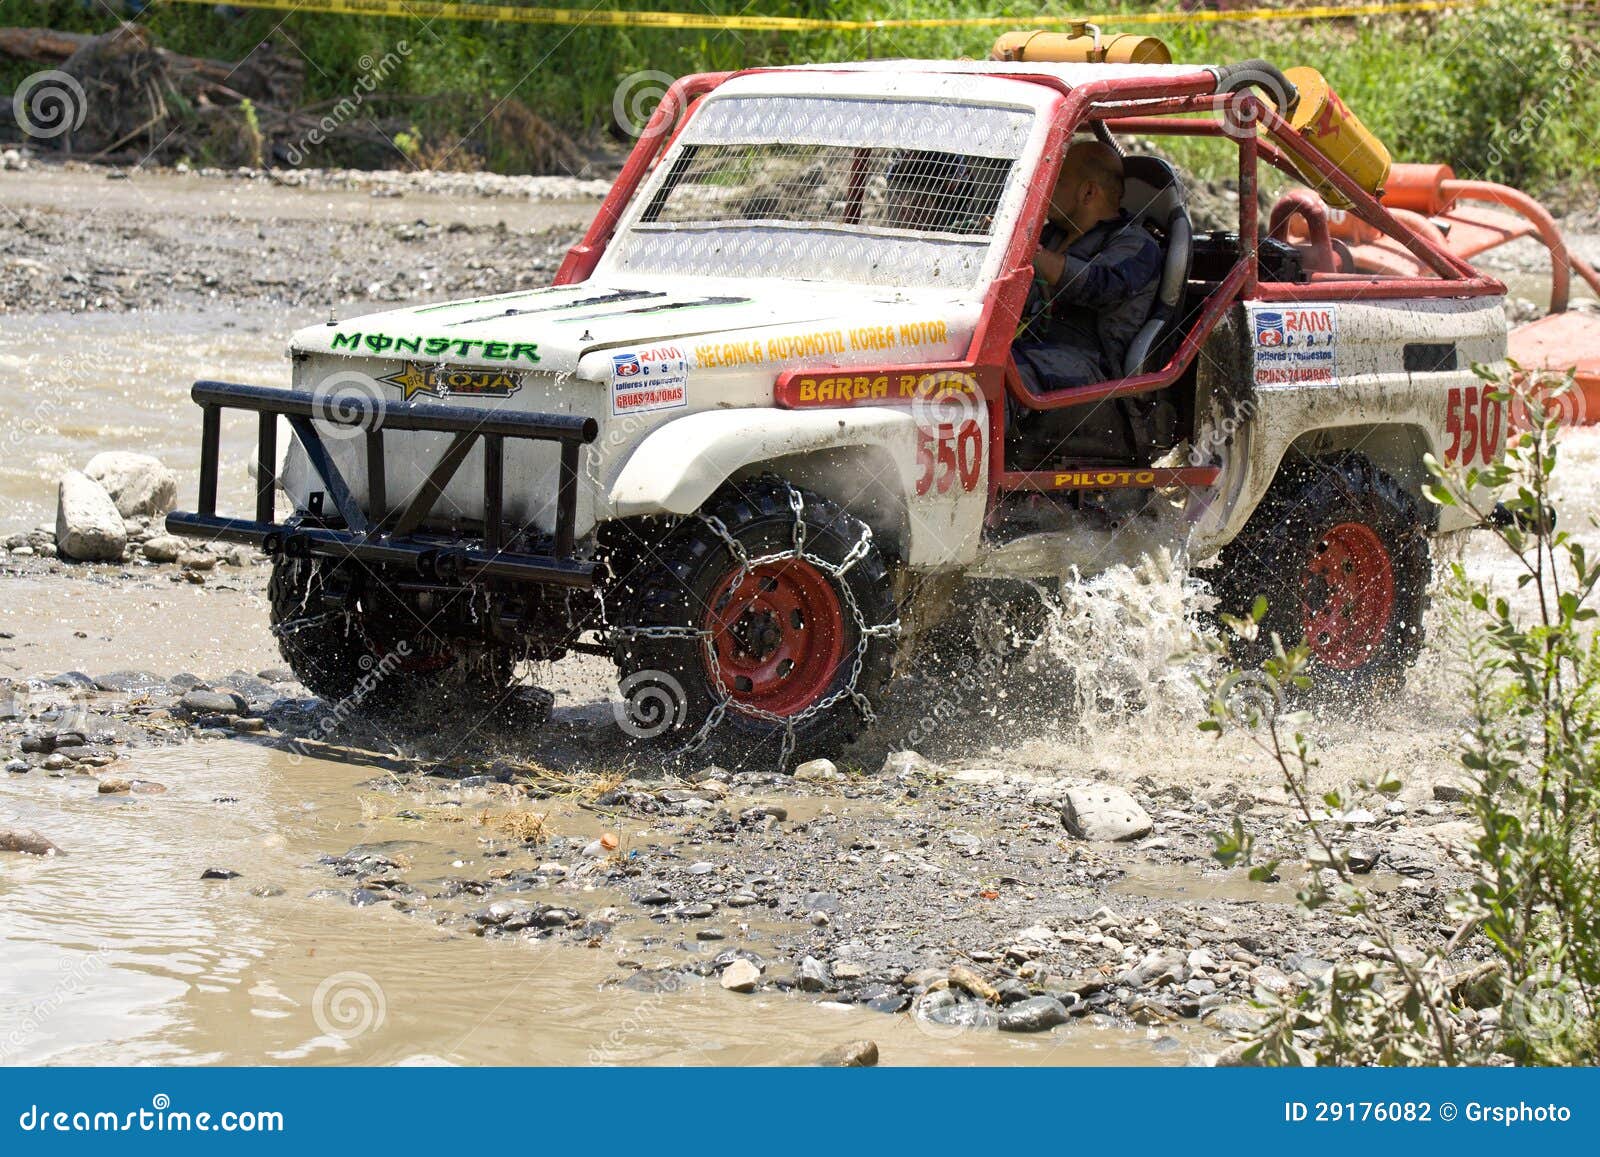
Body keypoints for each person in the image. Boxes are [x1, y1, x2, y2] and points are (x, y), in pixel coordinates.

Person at [1013, 141, 1162, 391]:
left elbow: (1100, 285)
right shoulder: (1052, 235)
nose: (1044, 189)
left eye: (1056, 181)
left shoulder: (1137, 244)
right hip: (1032, 347)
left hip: (1089, 366)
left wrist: (1030, 252)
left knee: (1001, 379)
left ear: (1088, 193)